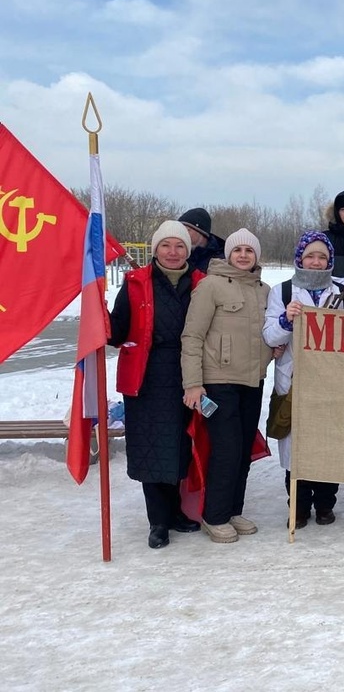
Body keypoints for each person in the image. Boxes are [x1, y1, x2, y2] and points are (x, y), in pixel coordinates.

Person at [108, 220, 205, 549]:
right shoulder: (136, 283)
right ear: (155, 249)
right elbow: (117, 332)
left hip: (188, 374)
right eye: (166, 245)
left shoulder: (201, 284)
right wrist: (100, 319)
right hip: (147, 377)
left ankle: (176, 511)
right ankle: (158, 522)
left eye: (180, 246)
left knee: (180, 446)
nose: (173, 252)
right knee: (152, 451)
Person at [181, 228, 273, 543]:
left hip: (252, 380)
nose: (244, 255)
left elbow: (269, 333)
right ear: (228, 254)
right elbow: (192, 337)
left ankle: (233, 509)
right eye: (238, 250)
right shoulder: (210, 287)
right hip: (218, 382)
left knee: (243, 447)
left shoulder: (264, 290)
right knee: (226, 448)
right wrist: (193, 384)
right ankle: (215, 515)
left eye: (250, 251)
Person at [264, 231, 344, 528]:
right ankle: (299, 507)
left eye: (322, 257)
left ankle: (326, 504)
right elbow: (270, 336)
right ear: (300, 258)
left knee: (327, 445)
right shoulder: (284, 291)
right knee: (297, 448)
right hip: (294, 380)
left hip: (330, 380)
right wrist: (286, 319)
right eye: (310, 256)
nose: (316, 262)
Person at [177, 207, 226, 273]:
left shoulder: (222, 261)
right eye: (180, 229)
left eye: (188, 230)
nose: (182, 233)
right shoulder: (175, 254)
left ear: (201, 232)